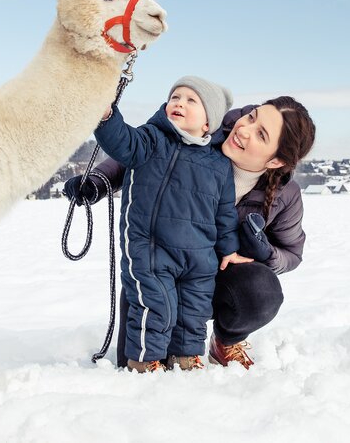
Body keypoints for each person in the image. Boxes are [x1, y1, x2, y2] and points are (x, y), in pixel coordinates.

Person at [68, 95, 316, 370]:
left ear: (275, 161)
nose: (244, 129)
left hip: (211, 275)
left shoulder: (285, 195)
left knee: (260, 290)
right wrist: (98, 182)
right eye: (252, 117)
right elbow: (144, 147)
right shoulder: (203, 130)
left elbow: (292, 253)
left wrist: (263, 251)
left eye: (261, 134)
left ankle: (225, 341)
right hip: (157, 265)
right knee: (136, 363)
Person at [67, 76, 244, 372]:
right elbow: (123, 142)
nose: (179, 103)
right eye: (175, 96)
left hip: (200, 255)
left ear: (208, 124)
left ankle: (185, 357)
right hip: (151, 247)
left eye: (191, 100)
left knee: (193, 309)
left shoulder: (218, 164)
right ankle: (145, 360)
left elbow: (224, 212)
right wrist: (107, 115)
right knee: (155, 304)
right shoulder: (151, 140)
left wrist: (229, 248)